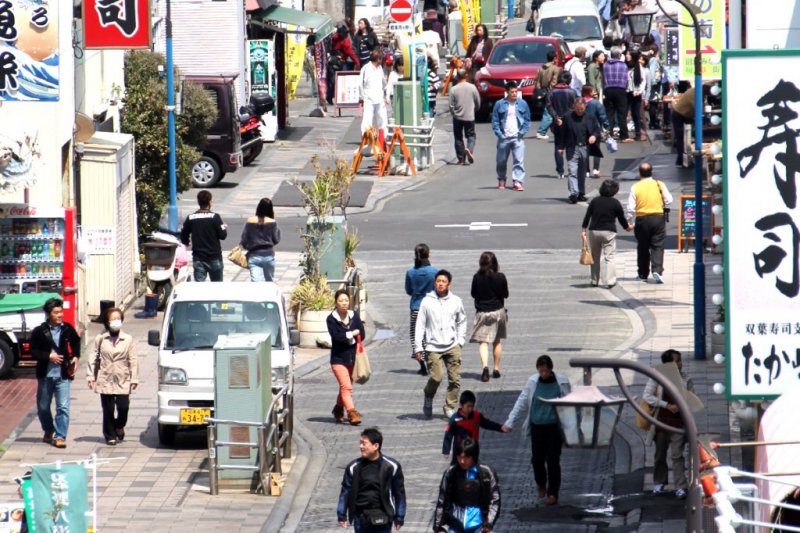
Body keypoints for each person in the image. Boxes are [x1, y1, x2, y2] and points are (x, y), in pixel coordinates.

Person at [502, 355, 570, 506]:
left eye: (546, 371)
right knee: (537, 460)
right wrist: (510, 421)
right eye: (541, 371)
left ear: (551, 369)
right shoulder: (533, 382)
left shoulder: (562, 382)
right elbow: (522, 401)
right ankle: (541, 482)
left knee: (553, 460)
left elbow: (569, 402)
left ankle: (553, 493)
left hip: (554, 427)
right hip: (537, 427)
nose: (544, 374)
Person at [416, 270, 467, 419]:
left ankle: (450, 406)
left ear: (448, 284)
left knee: (455, 379)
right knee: (436, 377)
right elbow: (420, 324)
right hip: (433, 347)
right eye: (438, 281)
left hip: (452, 345)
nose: (440, 284)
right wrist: (419, 347)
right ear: (435, 283)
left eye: (443, 281)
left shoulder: (456, 301)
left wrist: (460, 340)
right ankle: (428, 396)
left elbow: (462, 321)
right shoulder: (427, 301)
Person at [31, 297, 81, 449]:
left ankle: (60, 436)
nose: (60, 315)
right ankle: (48, 429)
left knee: (63, 407)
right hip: (45, 375)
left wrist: (75, 357)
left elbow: (76, 342)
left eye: (61, 312)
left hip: (63, 375)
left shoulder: (67, 328)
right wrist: (48, 356)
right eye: (56, 312)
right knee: (43, 407)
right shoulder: (39, 331)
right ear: (48, 314)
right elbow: (33, 351)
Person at [643, 349, 692, 499]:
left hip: (679, 422)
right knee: (660, 454)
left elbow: (692, 398)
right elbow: (647, 396)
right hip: (661, 423)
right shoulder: (657, 377)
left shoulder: (686, 379)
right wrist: (665, 405)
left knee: (677, 455)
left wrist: (682, 404)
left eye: (680, 361)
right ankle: (659, 482)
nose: (679, 364)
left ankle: (680, 486)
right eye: (676, 361)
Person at [338, 428, 407, 532]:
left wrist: (399, 517)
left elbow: (399, 493)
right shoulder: (354, 467)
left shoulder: (391, 466)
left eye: (364, 443)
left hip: (383, 517)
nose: (361, 447)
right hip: (360, 518)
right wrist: (341, 514)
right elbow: (345, 491)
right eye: (360, 443)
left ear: (376, 446)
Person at [87, 307, 138, 445]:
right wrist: (90, 375)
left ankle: (119, 425)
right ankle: (110, 435)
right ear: (107, 322)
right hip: (105, 377)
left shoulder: (128, 339)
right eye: (113, 319)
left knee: (123, 407)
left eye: (118, 319)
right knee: (108, 409)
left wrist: (134, 378)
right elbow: (93, 357)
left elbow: (133, 360)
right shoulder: (101, 339)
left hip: (122, 377)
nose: (116, 321)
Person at [434, 439, 501, 533]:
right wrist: (438, 527)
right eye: (459, 457)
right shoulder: (450, 473)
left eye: (466, 457)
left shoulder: (486, 473)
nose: (462, 461)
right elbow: (442, 500)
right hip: (454, 524)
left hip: (479, 526)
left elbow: (495, 499)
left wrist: (489, 522)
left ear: (473, 456)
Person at [626, 162, 673, 283]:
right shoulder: (659, 184)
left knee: (643, 247)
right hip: (657, 217)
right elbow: (669, 199)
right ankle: (657, 270)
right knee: (657, 244)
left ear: (640, 173)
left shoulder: (635, 187)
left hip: (642, 219)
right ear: (652, 172)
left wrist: (629, 221)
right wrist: (663, 206)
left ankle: (642, 273)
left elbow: (630, 208)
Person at [581, 179, 632, 288]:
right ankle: (610, 281)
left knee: (594, 256)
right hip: (608, 231)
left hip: (594, 230)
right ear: (614, 191)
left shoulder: (595, 201)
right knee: (610, 257)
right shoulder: (615, 203)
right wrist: (627, 227)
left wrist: (584, 228)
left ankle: (594, 280)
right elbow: (621, 219)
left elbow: (588, 216)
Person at [327, 289, 367, 426]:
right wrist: (351, 334)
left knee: (344, 387)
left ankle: (338, 409)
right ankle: (352, 413)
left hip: (352, 357)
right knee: (347, 387)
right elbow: (337, 337)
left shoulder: (354, 315)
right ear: (336, 303)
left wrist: (353, 334)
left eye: (346, 300)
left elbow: (362, 332)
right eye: (341, 301)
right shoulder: (331, 319)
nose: (344, 303)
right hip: (338, 359)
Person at [469, 252, 508, 381]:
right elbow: (506, 294)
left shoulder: (477, 277)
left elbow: (473, 294)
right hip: (498, 311)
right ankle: (496, 368)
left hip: (482, 312)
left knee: (483, 342)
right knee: (497, 341)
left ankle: (485, 367)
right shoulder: (500, 277)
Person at [442, 390, 507, 464]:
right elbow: (448, 434)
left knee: (474, 468)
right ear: (461, 405)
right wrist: (446, 451)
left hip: (473, 449)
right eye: (468, 406)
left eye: (472, 406)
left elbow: (487, 424)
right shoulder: (455, 419)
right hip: (459, 450)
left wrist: (500, 427)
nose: (470, 409)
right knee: (455, 468)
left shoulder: (477, 416)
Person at [559, 98, 602, 204]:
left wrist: (594, 136)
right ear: (574, 107)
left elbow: (597, 130)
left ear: (585, 107)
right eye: (578, 109)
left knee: (582, 172)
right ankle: (573, 194)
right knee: (572, 171)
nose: (579, 111)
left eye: (582, 109)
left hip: (584, 147)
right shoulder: (568, 117)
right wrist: (560, 147)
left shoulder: (590, 117)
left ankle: (581, 193)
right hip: (572, 147)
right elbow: (562, 133)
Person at [180, 190, 228, 282]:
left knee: (199, 288)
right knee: (217, 287)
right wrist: (223, 227)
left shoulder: (191, 217)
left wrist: (186, 242)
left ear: (198, 202)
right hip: (215, 257)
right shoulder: (215, 217)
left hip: (199, 258)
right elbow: (223, 236)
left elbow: (183, 233)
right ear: (210, 202)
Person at [405, 243, 438, 376]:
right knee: (431, 335)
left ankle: (422, 365)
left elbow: (408, 290)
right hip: (431, 306)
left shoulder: (411, 272)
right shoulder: (434, 271)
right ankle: (432, 361)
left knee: (416, 337)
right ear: (428, 254)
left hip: (416, 306)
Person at [491, 81, 530, 191]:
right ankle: (501, 179)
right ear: (507, 92)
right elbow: (495, 121)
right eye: (512, 92)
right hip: (504, 137)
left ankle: (517, 181)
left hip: (517, 137)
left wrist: (522, 132)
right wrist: (499, 133)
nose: (514, 94)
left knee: (518, 160)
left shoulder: (522, 104)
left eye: (516, 92)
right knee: (501, 161)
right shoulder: (499, 104)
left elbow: (527, 120)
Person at [239, 197, 281, 282]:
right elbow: (276, 239)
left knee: (256, 284)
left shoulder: (250, 220)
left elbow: (244, 240)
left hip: (254, 255)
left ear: (258, 207)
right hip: (268, 255)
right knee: (269, 281)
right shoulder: (272, 222)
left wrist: (248, 247)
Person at [449, 69, 481, 166]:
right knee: (471, 135)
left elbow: (451, 105)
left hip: (457, 117)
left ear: (457, 77)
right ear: (466, 76)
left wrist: (454, 113)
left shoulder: (453, 89)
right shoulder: (472, 88)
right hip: (469, 116)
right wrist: (474, 110)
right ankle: (469, 149)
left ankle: (461, 159)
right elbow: (478, 102)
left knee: (458, 137)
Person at [548, 71, 576, 180]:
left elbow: (549, 106)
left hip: (557, 122)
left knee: (558, 146)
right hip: (570, 121)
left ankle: (560, 171)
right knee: (571, 145)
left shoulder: (552, 92)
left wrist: (556, 118)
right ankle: (571, 168)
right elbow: (574, 107)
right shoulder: (571, 92)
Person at [360, 49, 389, 140]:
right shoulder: (365, 68)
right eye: (381, 59)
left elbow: (383, 82)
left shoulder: (380, 68)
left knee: (382, 119)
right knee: (367, 119)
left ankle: (383, 138)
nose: (382, 61)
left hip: (379, 97)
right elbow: (360, 84)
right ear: (378, 59)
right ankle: (366, 137)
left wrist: (384, 92)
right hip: (369, 97)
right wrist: (362, 97)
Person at [582, 85, 609, 179]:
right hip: (595, 128)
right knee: (596, 149)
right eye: (593, 90)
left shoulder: (580, 102)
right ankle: (595, 169)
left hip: (583, 128)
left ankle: (586, 171)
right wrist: (607, 126)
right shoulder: (596, 103)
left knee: (585, 150)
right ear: (589, 92)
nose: (595, 92)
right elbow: (602, 116)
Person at [603, 46, 629, 141]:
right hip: (620, 89)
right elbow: (626, 79)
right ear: (619, 55)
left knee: (609, 112)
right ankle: (624, 135)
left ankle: (609, 134)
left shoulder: (605, 65)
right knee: (622, 113)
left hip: (608, 89)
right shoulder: (623, 65)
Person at [534, 50, 561, 140]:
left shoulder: (541, 68)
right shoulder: (555, 68)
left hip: (543, 91)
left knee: (549, 110)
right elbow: (554, 81)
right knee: (549, 112)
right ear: (554, 58)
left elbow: (537, 81)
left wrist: (540, 90)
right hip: (551, 91)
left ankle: (553, 130)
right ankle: (541, 131)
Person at [626, 49, 647, 142]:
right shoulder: (625, 66)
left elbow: (643, 81)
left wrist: (639, 91)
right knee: (624, 113)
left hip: (636, 93)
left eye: (628, 54)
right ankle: (624, 134)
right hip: (626, 92)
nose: (627, 56)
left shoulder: (638, 67)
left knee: (636, 113)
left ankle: (638, 133)